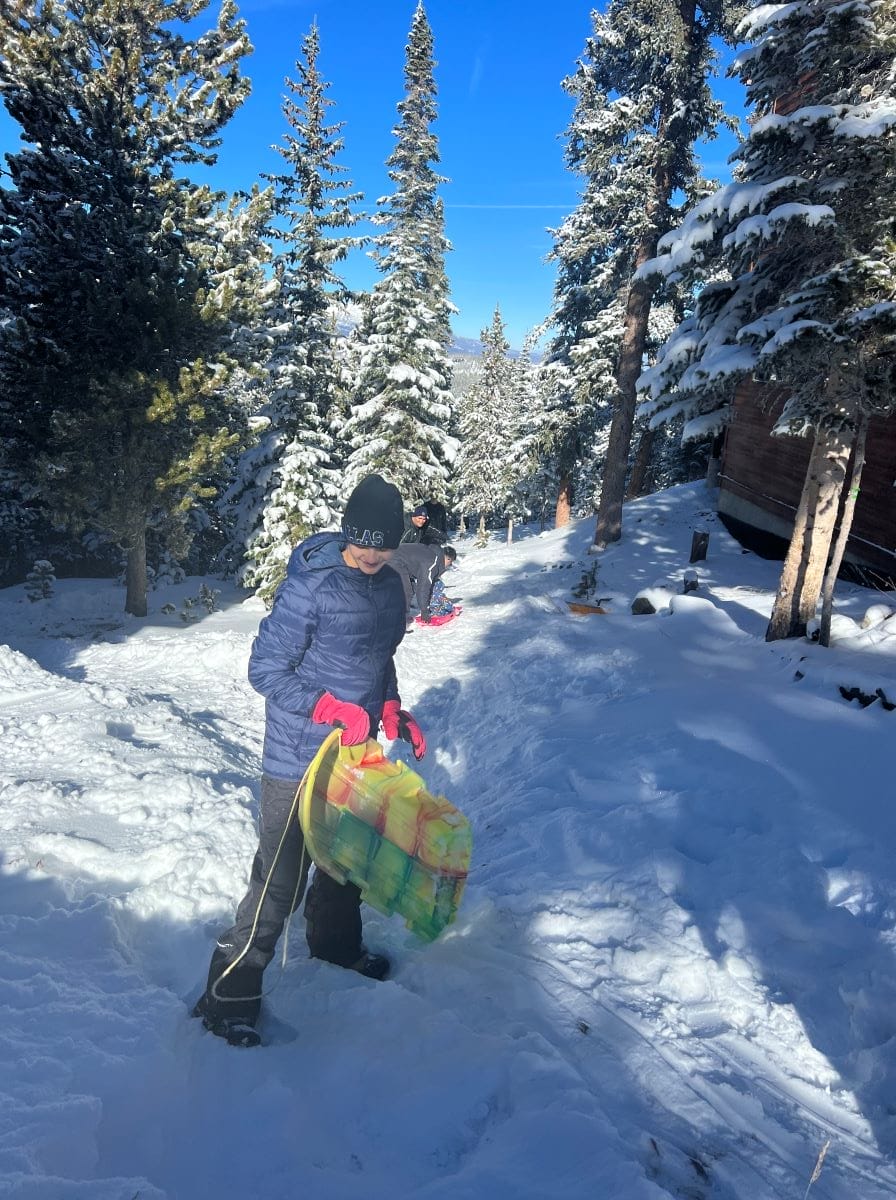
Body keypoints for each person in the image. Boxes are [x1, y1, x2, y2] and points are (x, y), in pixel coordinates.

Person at [193, 474, 427, 1047]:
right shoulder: (311, 586)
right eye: (363, 541)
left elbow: (380, 658)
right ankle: (228, 995)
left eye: (384, 542)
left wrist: (391, 707)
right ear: (347, 532)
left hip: (355, 749)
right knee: (280, 875)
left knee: (345, 859)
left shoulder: (391, 586)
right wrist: (326, 707)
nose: (372, 553)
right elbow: (266, 670)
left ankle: (335, 946)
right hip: (297, 754)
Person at [387, 543, 456, 624]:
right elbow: (423, 588)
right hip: (393, 560)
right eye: (450, 562)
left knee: (411, 588)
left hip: (395, 558)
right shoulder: (432, 562)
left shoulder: (435, 556)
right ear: (448, 559)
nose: (449, 565)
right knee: (406, 591)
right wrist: (424, 611)